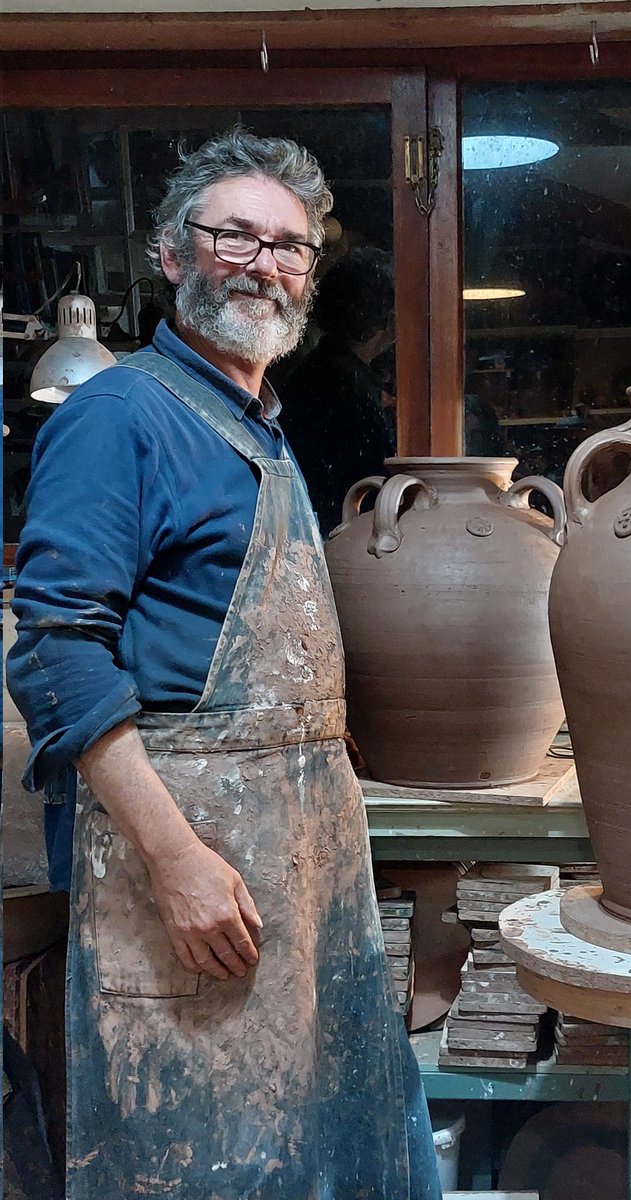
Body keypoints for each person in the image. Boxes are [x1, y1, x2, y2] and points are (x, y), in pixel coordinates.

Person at [7, 128, 442, 1200]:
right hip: (191, 871)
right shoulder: (121, 413)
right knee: (205, 1169)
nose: (264, 264)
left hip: (296, 863)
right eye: (234, 235)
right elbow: (58, 650)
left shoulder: (264, 429)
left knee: (318, 1156)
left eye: (289, 247)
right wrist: (177, 861)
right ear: (171, 253)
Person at [279, 245, 396, 534]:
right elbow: (373, 486)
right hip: (344, 539)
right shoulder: (346, 387)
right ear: (387, 319)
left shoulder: (319, 372)